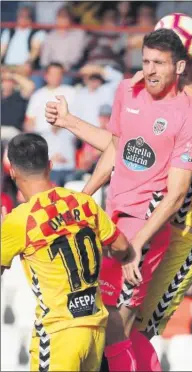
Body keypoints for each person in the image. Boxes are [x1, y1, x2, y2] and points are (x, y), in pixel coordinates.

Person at [46, 37, 192, 364]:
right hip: (144, 219)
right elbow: (124, 148)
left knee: (134, 329)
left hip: (184, 233)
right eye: (188, 72)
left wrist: (166, 77)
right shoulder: (169, 106)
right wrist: (70, 122)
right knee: (113, 324)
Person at [1, 133, 135, 372]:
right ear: (50, 165)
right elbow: (122, 246)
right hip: (94, 331)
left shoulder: (20, 220)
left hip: (58, 334)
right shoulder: (83, 202)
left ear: (12, 171)